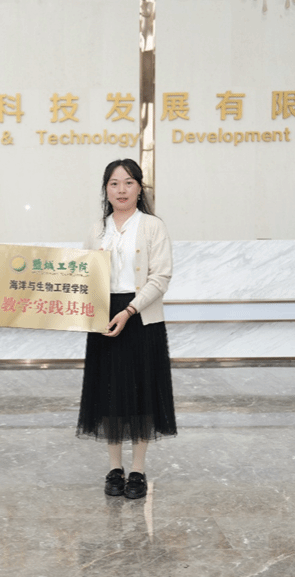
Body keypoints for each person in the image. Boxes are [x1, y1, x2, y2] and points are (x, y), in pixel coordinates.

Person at [76, 158, 177, 499]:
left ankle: (138, 470)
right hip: (104, 319)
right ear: (106, 189)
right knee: (109, 393)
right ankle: (115, 468)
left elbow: (160, 277)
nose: (121, 190)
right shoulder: (96, 229)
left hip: (141, 318)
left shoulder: (152, 226)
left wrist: (130, 310)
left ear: (139, 188)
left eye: (129, 182)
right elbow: (84, 276)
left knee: (141, 392)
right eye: (114, 183)